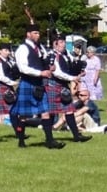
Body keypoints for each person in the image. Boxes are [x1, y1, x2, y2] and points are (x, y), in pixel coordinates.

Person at [10, 18, 65, 149]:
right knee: (23, 115)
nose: (37, 35)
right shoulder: (22, 49)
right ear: (28, 34)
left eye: (38, 33)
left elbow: (44, 62)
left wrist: (50, 67)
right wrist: (40, 73)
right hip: (27, 83)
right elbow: (23, 68)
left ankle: (50, 141)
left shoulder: (39, 48)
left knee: (45, 112)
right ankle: (21, 141)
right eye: (35, 33)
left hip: (39, 84)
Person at [47, 34, 91, 143]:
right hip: (53, 85)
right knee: (52, 113)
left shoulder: (65, 55)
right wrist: (73, 78)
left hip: (63, 85)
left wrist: (79, 71)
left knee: (69, 110)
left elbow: (71, 66)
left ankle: (76, 136)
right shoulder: (52, 55)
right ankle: (49, 138)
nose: (64, 45)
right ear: (55, 44)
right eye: (61, 42)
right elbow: (57, 73)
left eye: (64, 42)